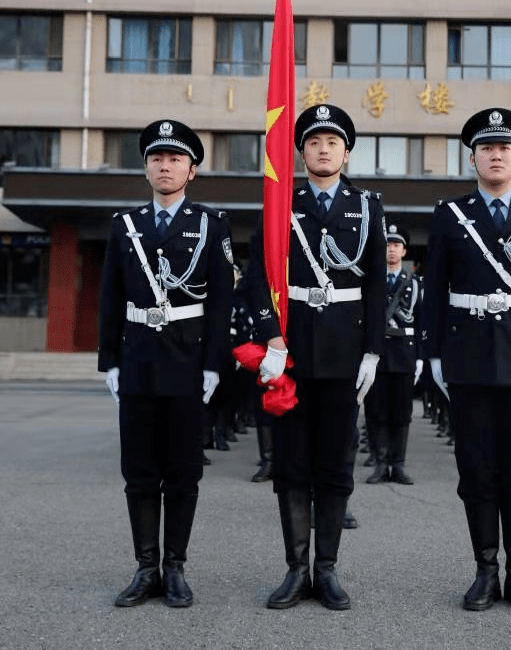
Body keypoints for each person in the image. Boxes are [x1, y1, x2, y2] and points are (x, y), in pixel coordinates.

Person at [424, 107, 511, 614]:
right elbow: (434, 290)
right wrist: (433, 354)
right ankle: (485, 569)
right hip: (467, 355)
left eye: (504, 147)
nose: (496, 155)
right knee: (476, 467)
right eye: (487, 148)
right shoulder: (449, 213)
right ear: (473, 158)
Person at [247, 103, 386, 611]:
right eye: (313, 142)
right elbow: (258, 277)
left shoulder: (368, 206)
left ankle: (326, 570)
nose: (323, 149)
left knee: (335, 465)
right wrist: (271, 338)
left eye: (332, 142)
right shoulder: (280, 201)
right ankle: (293, 569)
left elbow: (374, 283)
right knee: (291, 465)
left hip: (344, 354)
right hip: (292, 352)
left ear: (346, 152)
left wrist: (373, 349)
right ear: (300, 151)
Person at [98, 119, 235, 608]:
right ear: (146, 167)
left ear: (191, 170)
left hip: (187, 362)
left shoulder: (211, 224)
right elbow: (110, 296)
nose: (164, 165)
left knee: (181, 472)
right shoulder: (124, 225)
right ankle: (144, 566)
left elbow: (221, 301)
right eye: (156, 158)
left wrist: (215, 364)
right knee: (138, 471)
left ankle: (174, 566)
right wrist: (108, 360)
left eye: (175, 158)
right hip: (137, 361)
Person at [365, 224, 425, 485]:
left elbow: (423, 321)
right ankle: (380, 463)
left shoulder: (416, 283)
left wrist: (422, 356)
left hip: (404, 352)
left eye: (396, 245)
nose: (391, 249)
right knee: (376, 410)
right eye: (388, 245)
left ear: (404, 251)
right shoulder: (370, 280)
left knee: (401, 412)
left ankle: (398, 464)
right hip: (376, 353)